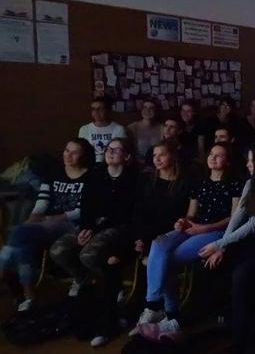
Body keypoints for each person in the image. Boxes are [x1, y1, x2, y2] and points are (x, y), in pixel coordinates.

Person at [133, 142, 243, 340]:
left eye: (219, 155)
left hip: (216, 231)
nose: (213, 158)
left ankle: (170, 312)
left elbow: (233, 219)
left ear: (227, 161)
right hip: (194, 226)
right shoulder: (200, 183)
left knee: (167, 258)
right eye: (211, 154)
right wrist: (183, 222)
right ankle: (153, 305)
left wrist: (205, 228)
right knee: (159, 244)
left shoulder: (234, 184)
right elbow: (191, 213)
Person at [198, 141, 255, 354]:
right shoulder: (251, 183)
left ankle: (239, 340)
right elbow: (238, 216)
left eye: (252, 160)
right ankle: (224, 320)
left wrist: (219, 243)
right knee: (211, 262)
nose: (248, 164)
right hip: (252, 240)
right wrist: (222, 247)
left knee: (241, 274)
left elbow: (254, 224)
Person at [47, 137, 138, 346]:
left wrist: (95, 229)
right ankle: (85, 280)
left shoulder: (133, 179)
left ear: (127, 156)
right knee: (59, 250)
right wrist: (85, 228)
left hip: (120, 228)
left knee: (88, 254)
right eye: (109, 149)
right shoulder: (96, 175)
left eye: (116, 150)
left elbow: (124, 213)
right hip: (93, 226)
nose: (110, 152)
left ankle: (110, 287)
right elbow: (87, 206)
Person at [0, 138, 94, 312]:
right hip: (47, 222)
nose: (68, 155)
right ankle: (29, 295)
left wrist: (58, 218)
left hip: (73, 224)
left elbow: (87, 209)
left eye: (74, 152)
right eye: (67, 150)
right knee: (23, 246)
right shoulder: (54, 173)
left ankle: (19, 286)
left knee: (18, 236)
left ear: (84, 156)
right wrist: (34, 217)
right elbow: (42, 201)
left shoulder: (91, 177)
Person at [127, 139, 192, 329]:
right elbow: (139, 212)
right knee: (161, 259)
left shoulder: (185, 182)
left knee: (163, 256)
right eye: (154, 155)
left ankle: (158, 309)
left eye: (162, 154)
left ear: (173, 156)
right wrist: (140, 237)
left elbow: (182, 215)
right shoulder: (147, 180)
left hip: (174, 233)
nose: (157, 159)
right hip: (149, 234)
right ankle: (169, 314)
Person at [78, 97, 127, 164]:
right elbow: (81, 151)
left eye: (100, 109)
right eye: (93, 109)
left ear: (107, 110)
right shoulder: (84, 129)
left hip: (111, 164)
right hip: (90, 164)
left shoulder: (119, 129)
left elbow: (121, 152)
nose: (96, 112)